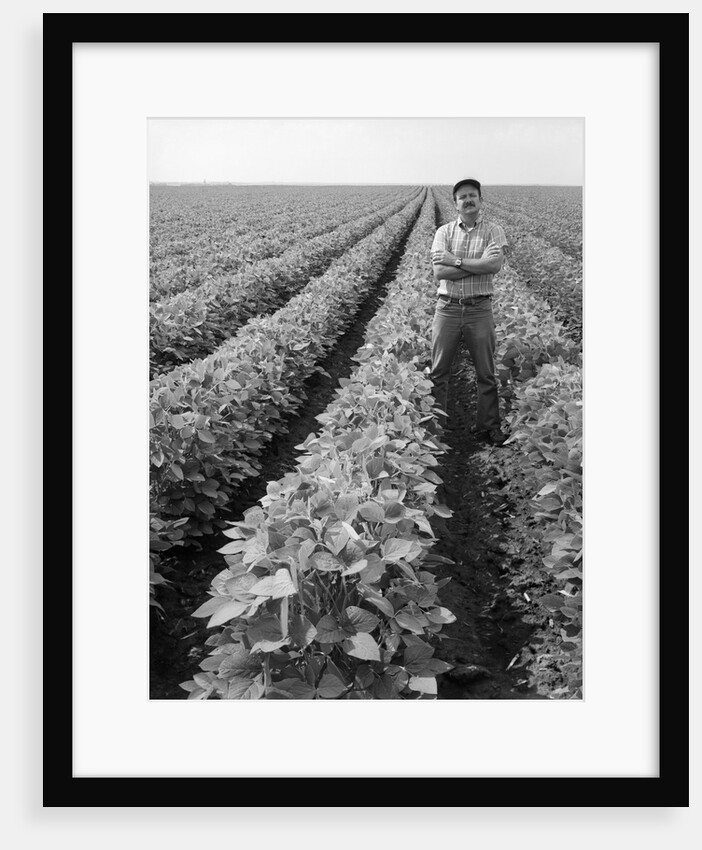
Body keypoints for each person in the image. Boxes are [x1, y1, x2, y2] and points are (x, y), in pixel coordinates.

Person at [430, 178, 509, 446]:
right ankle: (437, 427)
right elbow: (440, 271)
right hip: (447, 308)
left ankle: (489, 426)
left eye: (472, 195)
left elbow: (494, 266)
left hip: (479, 308)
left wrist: (458, 262)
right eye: (462, 197)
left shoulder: (494, 231)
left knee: (486, 372)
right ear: (455, 204)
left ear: (480, 200)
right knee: (439, 371)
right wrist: (479, 264)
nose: (468, 200)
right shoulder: (443, 232)